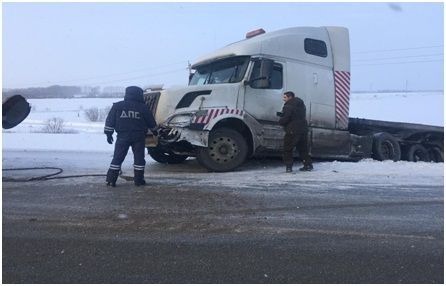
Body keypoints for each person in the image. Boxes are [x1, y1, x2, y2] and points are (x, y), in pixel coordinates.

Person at [104, 86, 157, 187]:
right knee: (139, 159)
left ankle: (111, 180)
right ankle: (139, 180)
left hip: (122, 137)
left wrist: (108, 133)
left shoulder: (117, 106)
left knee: (117, 158)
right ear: (139, 95)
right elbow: (151, 121)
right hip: (139, 137)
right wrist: (155, 131)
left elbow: (110, 121)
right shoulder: (143, 107)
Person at [278, 91, 313, 173]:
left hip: (292, 130)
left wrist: (280, 121)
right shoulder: (301, 104)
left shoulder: (288, 105)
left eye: (285, 97)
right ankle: (307, 165)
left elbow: (287, 117)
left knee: (288, 148)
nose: (284, 99)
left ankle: (289, 167)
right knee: (303, 149)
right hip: (303, 129)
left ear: (290, 97)